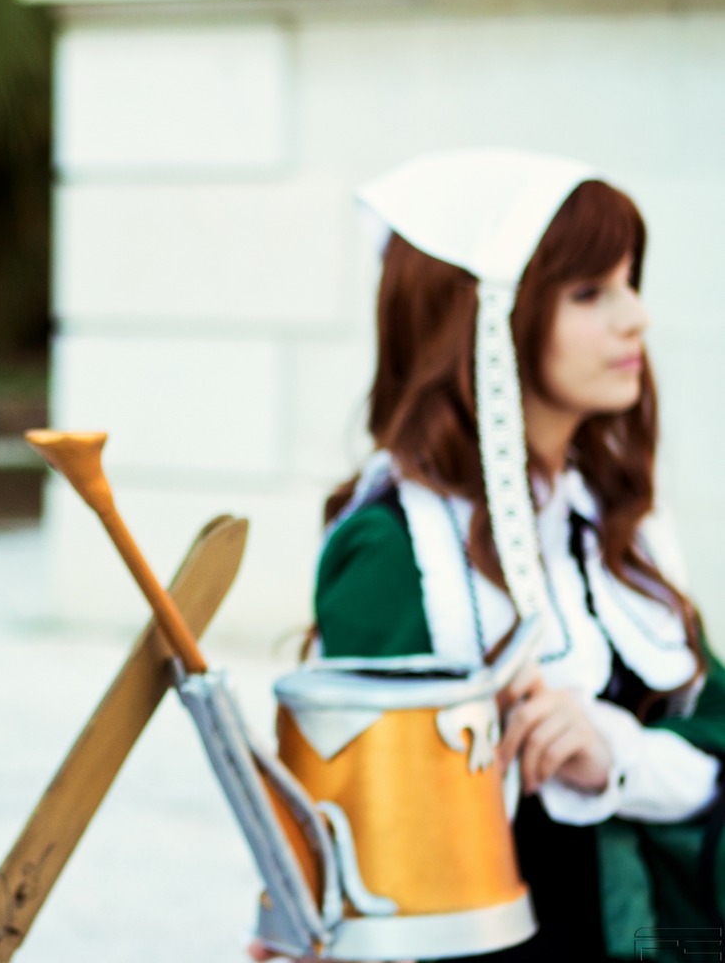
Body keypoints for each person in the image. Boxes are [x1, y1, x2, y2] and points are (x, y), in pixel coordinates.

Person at [306, 150, 725, 960]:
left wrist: (615, 752)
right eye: (590, 293)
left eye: (629, 281)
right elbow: (381, 856)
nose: (634, 317)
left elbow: (716, 726)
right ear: (487, 318)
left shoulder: (609, 522)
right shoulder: (397, 547)